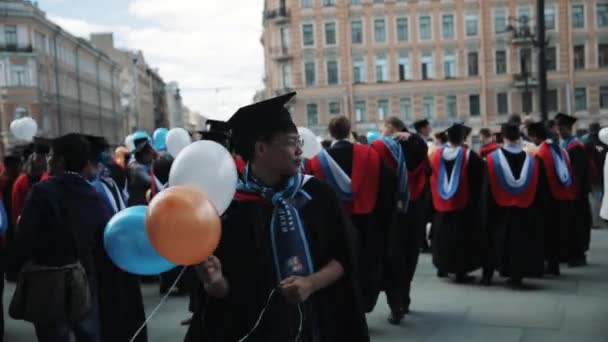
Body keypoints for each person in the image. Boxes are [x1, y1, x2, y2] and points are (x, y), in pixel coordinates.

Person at [187, 93, 368, 342]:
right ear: (261, 148)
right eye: (291, 142)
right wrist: (214, 282)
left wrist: (311, 283)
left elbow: (345, 256)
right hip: (254, 330)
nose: (299, 150)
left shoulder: (316, 195)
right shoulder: (229, 207)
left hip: (314, 324)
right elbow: (225, 293)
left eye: (299, 141)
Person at [14, 134, 105, 342]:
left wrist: (16, 266)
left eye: (51, 155)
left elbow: (26, 236)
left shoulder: (41, 192)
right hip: (84, 273)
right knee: (87, 332)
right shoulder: (93, 194)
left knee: (53, 334)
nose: (47, 159)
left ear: (61, 160)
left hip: (47, 277)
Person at [305, 115, 393, 313]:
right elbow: (386, 187)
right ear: (349, 130)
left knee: (340, 265)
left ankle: (345, 307)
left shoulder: (318, 161)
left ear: (330, 132)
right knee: (366, 265)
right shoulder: (370, 154)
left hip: (335, 225)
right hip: (367, 222)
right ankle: (365, 302)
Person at [83, 135, 148, 342]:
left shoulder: (105, 182)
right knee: (118, 305)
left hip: (116, 253)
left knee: (123, 304)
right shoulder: (98, 184)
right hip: (112, 253)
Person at [372, 116, 428, 324]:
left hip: (390, 212)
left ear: (391, 127)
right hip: (413, 210)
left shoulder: (380, 149)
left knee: (392, 257)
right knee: (409, 255)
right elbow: (427, 174)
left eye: (384, 126)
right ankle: (404, 297)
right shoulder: (419, 147)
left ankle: (396, 304)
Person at [483, 123, 546, 287]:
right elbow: (539, 190)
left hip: (499, 210)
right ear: (519, 137)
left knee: (499, 240)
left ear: (503, 137)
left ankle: (493, 272)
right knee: (520, 241)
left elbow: (487, 190)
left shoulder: (491, 159)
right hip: (525, 209)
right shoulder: (532, 160)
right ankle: (518, 276)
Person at [429, 123, 485, 283]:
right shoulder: (469, 155)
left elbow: (430, 176)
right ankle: (460, 271)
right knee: (461, 239)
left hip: (441, 207)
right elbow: (478, 178)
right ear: (463, 138)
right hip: (463, 207)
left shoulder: (436, 155)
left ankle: (442, 267)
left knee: (441, 237)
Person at [527, 122, 577, 276]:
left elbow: (539, 181)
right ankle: (555, 266)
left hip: (548, 201)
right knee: (557, 235)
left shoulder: (540, 153)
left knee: (547, 235)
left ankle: (549, 265)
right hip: (564, 197)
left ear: (535, 136)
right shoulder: (560, 150)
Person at [556, 113, 592, 266]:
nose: (559, 131)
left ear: (567, 128)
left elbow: (578, 173)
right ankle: (570, 254)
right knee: (571, 225)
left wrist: (575, 192)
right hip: (570, 193)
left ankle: (579, 256)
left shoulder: (575, 146)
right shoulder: (565, 145)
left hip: (577, 194)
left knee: (577, 225)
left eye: (561, 128)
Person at [11, 138, 50, 227]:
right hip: (26, 224)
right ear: (32, 159)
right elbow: (16, 208)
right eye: (38, 159)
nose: (42, 162)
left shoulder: (50, 179)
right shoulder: (21, 181)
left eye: (44, 158)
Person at [584, 123, 608, 229]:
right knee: (598, 197)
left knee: (596, 197)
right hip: (599, 174)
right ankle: (596, 221)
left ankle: (595, 220)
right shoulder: (601, 143)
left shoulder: (587, 143)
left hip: (592, 175)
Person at [127, 136, 159, 207]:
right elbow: (152, 181)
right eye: (150, 154)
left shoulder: (146, 164)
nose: (152, 157)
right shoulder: (137, 168)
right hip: (138, 204)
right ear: (144, 155)